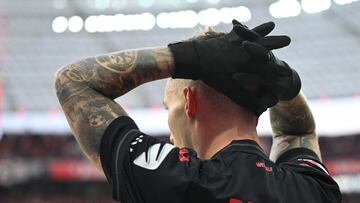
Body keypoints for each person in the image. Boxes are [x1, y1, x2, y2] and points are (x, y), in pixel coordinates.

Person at [54, 20, 341, 203]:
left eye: (170, 107)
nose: (169, 133)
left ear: (189, 101)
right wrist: (284, 84)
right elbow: (297, 131)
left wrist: (186, 57)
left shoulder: (175, 180)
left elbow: (74, 80)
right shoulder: (310, 189)